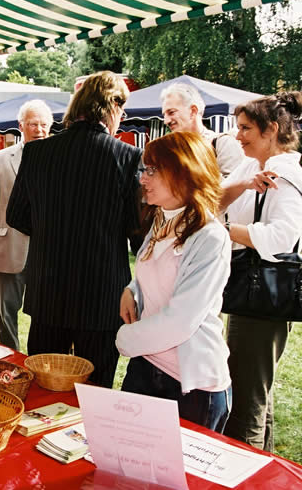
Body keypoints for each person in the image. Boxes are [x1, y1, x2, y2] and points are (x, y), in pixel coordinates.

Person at [6, 71, 142, 387]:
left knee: (43, 389)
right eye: (122, 109)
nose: (122, 118)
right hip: (101, 295)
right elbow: (137, 229)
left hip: (48, 291)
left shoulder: (37, 152)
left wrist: (51, 230)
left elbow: (16, 215)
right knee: (95, 390)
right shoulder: (127, 156)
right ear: (112, 106)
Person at [116, 132, 232, 432]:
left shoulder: (210, 237)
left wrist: (122, 338)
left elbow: (181, 320)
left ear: (185, 172)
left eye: (153, 170)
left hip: (191, 385)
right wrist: (131, 290)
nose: (143, 179)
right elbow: (154, 268)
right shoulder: (161, 218)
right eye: (145, 170)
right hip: (146, 367)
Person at [220, 91, 302, 452]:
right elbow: (215, 198)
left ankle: (245, 466)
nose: (237, 136)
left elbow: (283, 236)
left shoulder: (284, 174)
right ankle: (262, 464)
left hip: (262, 300)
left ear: (271, 130)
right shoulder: (252, 166)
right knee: (256, 395)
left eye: (245, 128)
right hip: (253, 296)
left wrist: (226, 232)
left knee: (246, 401)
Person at [0, 99, 53, 351]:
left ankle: (39, 359)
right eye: (33, 124)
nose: (39, 129)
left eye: (44, 124)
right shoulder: (0, 159)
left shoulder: (59, 159)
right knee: (7, 312)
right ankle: (10, 359)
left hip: (47, 252)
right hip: (8, 248)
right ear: (21, 126)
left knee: (45, 313)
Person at [161, 83, 244, 176]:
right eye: (164, 115)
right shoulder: (172, 151)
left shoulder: (223, 143)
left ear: (193, 111)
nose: (166, 121)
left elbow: (237, 183)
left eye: (171, 112)